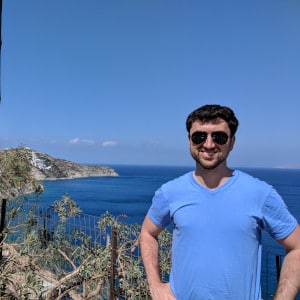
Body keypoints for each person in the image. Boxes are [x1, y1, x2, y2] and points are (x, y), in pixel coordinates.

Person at [140, 104, 300, 300]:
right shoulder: (170, 192)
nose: (208, 144)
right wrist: (155, 286)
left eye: (219, 137)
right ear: (189, 140)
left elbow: (297, 247)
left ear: (232, 142)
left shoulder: (260, 193)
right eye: (199, 136)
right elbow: (148, 233)